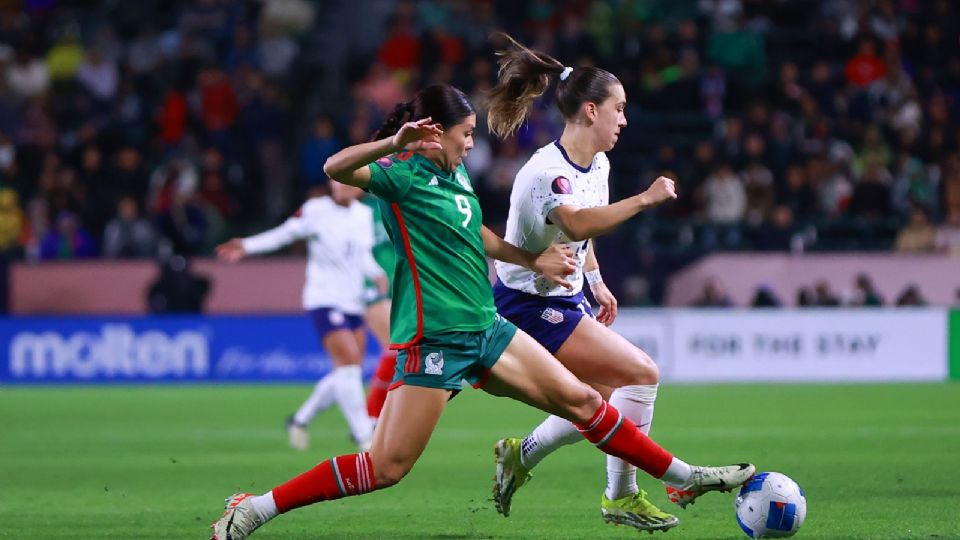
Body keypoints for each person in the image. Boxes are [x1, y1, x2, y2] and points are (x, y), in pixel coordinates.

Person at [210, 84, 754, 540]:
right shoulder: (400, 175)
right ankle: (256, 508)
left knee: (586, 400)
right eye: (465, 134)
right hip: (434, 343)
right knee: (385, 468)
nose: (472, 145)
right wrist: (391, 145)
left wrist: (532, 260)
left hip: (486, 327)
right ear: (433, 131)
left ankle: (683, 475)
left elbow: (480, 237)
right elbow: (336, 166)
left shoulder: (455, 179)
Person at [483, 34, 681, 532]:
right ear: (591, 111)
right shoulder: (549, 172)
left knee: (596, 401)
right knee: (640, 374)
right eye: (620, 109)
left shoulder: (598, 162)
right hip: (526, 305)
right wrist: (645, 199)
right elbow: (575, 223)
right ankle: (622, 496)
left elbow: (581, 236)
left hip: (565, 298)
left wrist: (595, 279)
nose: (624, 119)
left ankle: (519, 454)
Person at [216, 182, 386, 452]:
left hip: (353, 302)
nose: (343, 186)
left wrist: (377, 273)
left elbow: (362, 256)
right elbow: (284, 234)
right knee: (349, 366)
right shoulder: (315, 210)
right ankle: (364, 437)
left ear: (359, 189)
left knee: (347, 370)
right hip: (324, 299)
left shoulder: (363, 215)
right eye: (339, 180)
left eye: (350, 183)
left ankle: (299, 420)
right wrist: (247, 246)